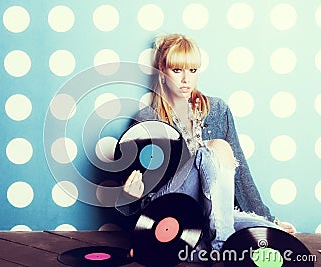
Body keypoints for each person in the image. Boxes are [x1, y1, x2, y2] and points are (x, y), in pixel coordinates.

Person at [118, 33, 296, 253]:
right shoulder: (147, 119)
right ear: (161, 73)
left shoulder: (218, 110)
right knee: (216, 148)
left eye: (192, 70)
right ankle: (220, 244)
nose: (186, 79)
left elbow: (239, 173)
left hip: (212, 212)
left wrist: (268, 218)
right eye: (177, 70)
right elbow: (129, 191)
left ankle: (204, 243)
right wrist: (131, 198)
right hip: (172, 212)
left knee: (268, 232)